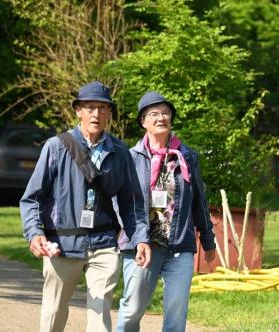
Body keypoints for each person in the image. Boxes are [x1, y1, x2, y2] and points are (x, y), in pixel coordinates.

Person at [20, 81, 151, 332]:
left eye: (103, 108)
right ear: (78, 111)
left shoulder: (121, 152)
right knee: (54, 313)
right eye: (90, 107)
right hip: (62, 243)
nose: (96, 114)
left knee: (100, 315)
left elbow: (131, 202)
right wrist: (35, 233)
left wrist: (141, 239)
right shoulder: (56, 147)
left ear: (109, 114)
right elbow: (32, 197)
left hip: (103, 243)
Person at [116, 91, 216, 332]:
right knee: (132, 310)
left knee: (176, 311)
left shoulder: (187, 156)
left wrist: (208, 240)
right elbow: (122, 204)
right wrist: (139, 239)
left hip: (179, 246)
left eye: (165, 113)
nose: (161, 118)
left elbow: (199, 201)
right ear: (143, 121)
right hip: (141, 246)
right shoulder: (129, 157)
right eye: (154, 114)